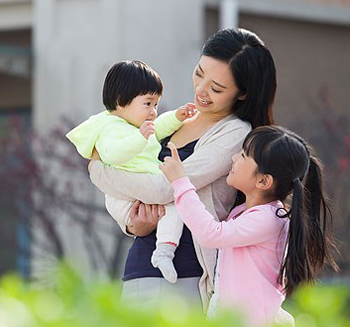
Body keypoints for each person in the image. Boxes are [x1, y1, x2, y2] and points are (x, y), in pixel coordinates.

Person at [88, 28, 277, 309]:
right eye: (199, 73)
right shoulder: (172, 120)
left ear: (242, 94)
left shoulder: (235, 134)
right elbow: (134, 176)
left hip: (187, 273)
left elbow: (167, 187)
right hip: (141, 263)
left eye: (216, 88)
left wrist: (96, 170)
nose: (201, 90)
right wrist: (131, 224)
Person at [160, 126, 337, 327]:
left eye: (244, 155)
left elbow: (211, 234)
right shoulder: (247, 213)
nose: (234, 157)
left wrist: (180, 182)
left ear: (263, 180)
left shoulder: (268, 219)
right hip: (235, 324)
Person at [66, 60, 197, 282]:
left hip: (139, 189)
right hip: (126, 200)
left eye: (156, 104)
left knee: (173, 207)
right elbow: (114, 154)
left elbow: (159, 128)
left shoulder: (136, 126)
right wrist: (140, 138)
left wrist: (177, 117)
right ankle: (164, 251)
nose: (154, 112)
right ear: (121, 101)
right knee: (175, 198)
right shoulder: (110, 128)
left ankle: (164, 251)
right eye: (148, 103)